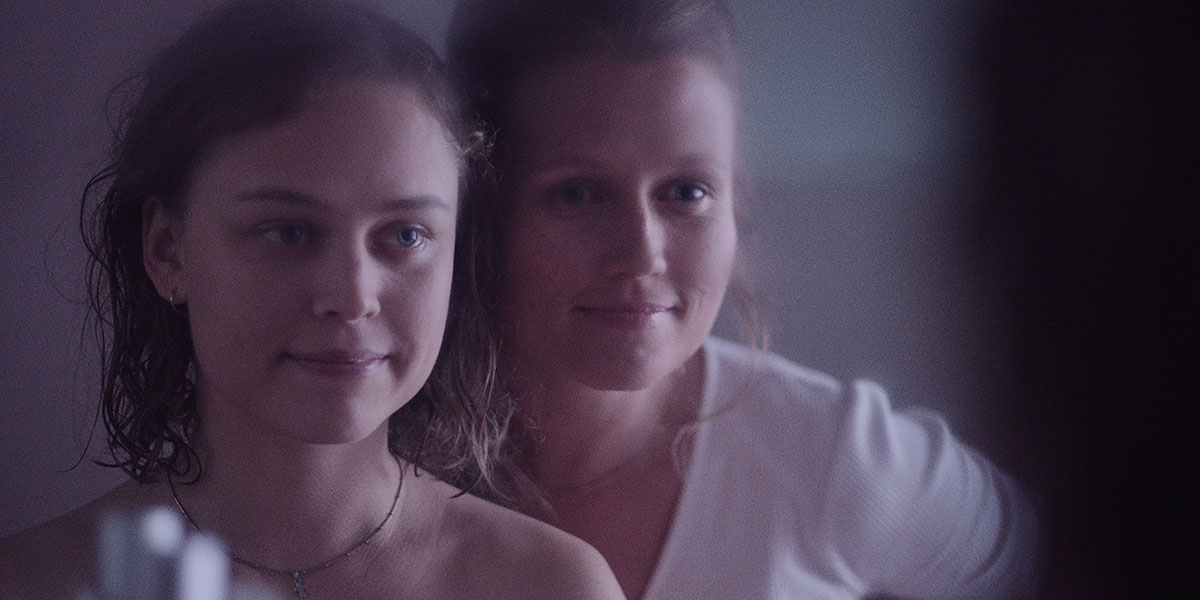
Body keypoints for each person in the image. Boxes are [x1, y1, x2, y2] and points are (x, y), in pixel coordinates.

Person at [0, 1, 624, 599]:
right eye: (288, 233)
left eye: (405, 236)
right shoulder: (35, 584)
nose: (353, 297)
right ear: (167, 250)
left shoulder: (551, 586)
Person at [446, 1, 1042, 598]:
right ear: (478, 209)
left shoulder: (834, 458)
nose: (642, 253)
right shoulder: (396, 458)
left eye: (687, 192)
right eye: (577, 194)